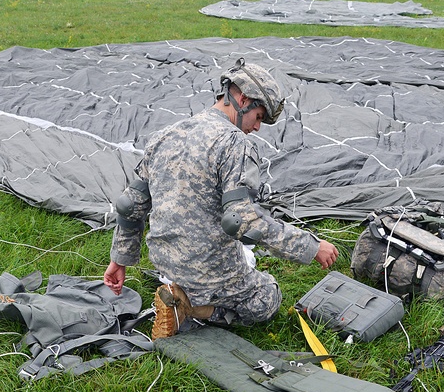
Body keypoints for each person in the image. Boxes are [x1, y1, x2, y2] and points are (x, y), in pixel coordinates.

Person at [103, 59, 339, 339]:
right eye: (259, 117)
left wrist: (120, 259)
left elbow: (130, 204)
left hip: (166, 262)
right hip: (211, 271)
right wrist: (312, 246)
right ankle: (192, 308)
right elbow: (241, 221)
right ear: (242, 99)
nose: (257, 128)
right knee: (268, 298)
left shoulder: (166, 134)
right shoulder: (234, 143)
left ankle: (177, 289)